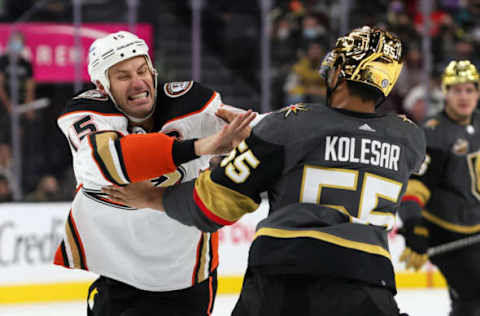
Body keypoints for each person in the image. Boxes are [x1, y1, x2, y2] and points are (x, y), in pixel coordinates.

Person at [104, 26, 426, 316]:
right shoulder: (410, 138)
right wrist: (263, 135)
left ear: (341, 71)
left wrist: (153, 197)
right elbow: (346, 142)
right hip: (368, 278)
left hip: (284, 277)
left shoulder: (290, 125)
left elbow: (212, 204)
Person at [54, 30, 256, 316]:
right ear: (102, 86)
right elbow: (111, 160)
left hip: (185, 278)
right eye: (123, 76)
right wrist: (201, 147)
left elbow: (257, 129)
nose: (138, 83)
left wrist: (259, 137)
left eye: (142, 70)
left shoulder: (193, 106)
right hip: (118, 276)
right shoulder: (86, 115)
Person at [397, 60, 480, 316]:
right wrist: (414, 226)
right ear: (445, 93)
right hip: (445, 231)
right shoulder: (434, 134)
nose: (463, 96)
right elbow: (415, 185)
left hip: (475, 228)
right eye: (456, 90)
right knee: (474, 297)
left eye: (469, 89)